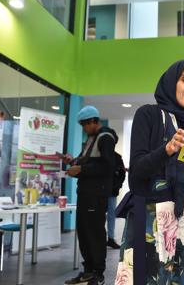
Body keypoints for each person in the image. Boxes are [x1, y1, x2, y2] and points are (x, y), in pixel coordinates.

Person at [116, 59, 184, 285]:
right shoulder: (149, 115)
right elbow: (137, 172)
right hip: (154, 219)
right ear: (171, 82)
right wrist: (167, 149)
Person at [63, 105, 117, 285]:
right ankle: (88, 271)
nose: (84, 129)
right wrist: (73, 161)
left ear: (94, 121)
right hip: (86, 193)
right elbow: (87, 161)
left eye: (85, 125)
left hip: (96, 194)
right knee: (84, 233)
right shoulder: (91, 139)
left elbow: (107, 166)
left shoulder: (105, 138)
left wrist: (81, 169)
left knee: (94, 233)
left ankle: (97, 273)